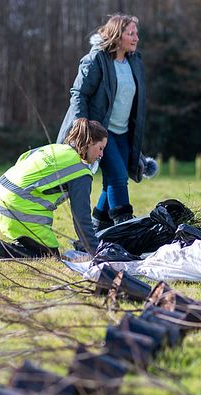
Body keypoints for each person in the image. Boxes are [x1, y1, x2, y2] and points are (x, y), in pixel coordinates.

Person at [0, 118, 107, 260]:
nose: (101, 155)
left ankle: (16, 242)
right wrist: (95, 251)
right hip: (14, 207)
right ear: (89, 142)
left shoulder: (55, 148)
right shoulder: (81, 172)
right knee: (49, 256)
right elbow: (81, 218)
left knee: (38, 247)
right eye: (100, 148)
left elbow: (23, 159)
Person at [56, 13, 146, 232]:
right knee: (117, 176)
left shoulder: (135, 61)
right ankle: (126, 228)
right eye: (130, 33)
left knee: (113, 180)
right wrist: (82, 124)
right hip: (100, 132)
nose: (135, 38)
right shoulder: (97, 59)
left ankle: (98, 229)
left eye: (136, 33)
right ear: (117, 35)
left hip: (124, 131)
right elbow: (78, 93)